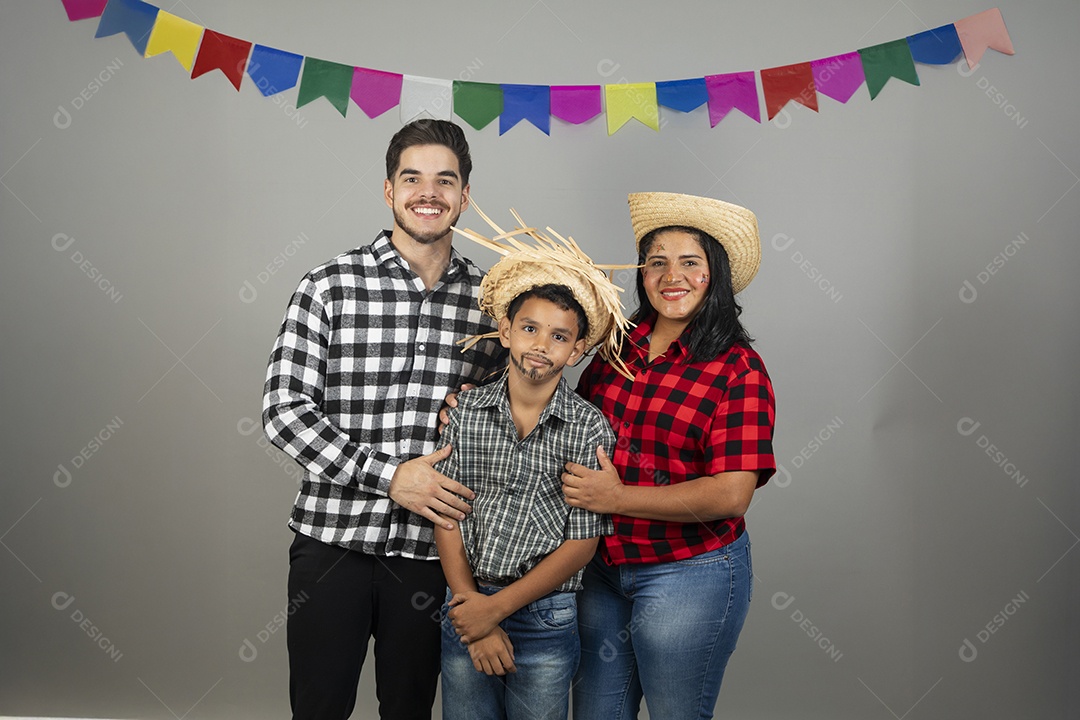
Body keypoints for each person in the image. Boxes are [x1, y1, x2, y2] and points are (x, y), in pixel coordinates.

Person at [261, 119, 504, 720]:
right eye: (412, 178)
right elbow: (283, 411)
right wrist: (390, 477)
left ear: (465, 196)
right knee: (319, 708)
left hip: (433, 553)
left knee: (409, 709)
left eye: (445, 181)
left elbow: (512, 419)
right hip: (331, 541)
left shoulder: (495, 303)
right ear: (389, 191)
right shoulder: (329, 285)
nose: (429, 193)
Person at [562, 192, 777, 720]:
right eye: (657, 261)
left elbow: (731, 494)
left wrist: (615, 497)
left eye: (690, 262)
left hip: (689, 572)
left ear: (715, 276)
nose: (671, 275)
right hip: (602, 567)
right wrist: (481, 404)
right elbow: (569, 424)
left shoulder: (738, 369)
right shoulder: (618, 344)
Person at [434, 213, 630, 720]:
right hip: (466, 598)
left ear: (578, 349)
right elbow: (447, 515)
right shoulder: (467, 415)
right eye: (529, 328)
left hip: (546, 616)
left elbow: (582, 543)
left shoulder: (589, 430)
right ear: (505, 330)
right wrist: (470, 607)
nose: (541, 345)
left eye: (560, 336)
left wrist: (494, 611)